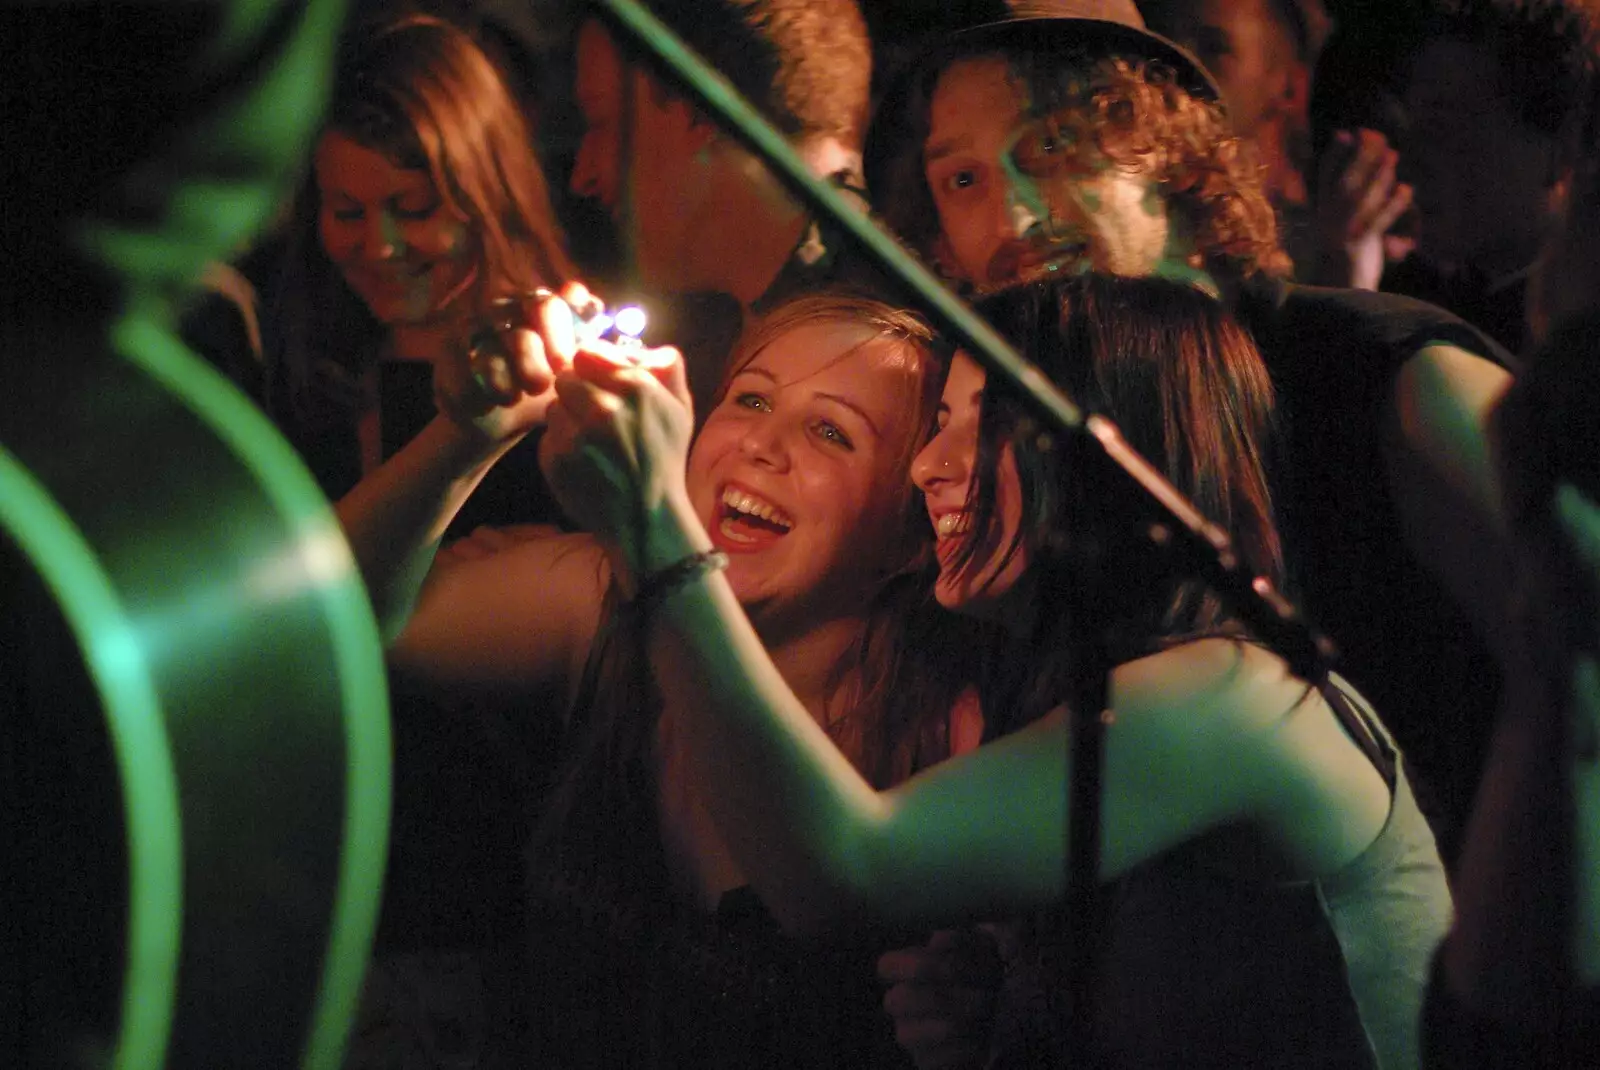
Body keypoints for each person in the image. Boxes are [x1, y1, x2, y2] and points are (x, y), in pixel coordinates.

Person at [536, 270, 1453, 1068]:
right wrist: (999, 1019)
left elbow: (843, 875)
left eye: (986, 426)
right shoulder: (1055, 684)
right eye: (938, 421)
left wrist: (658, 528)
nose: (930, 466)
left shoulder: (1235, 698)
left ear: (1120, 453)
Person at [862, 0, 1515, 869]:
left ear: (1169, 153)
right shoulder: (1032, 451)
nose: (1013, 223)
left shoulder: (1387, 377)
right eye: (964, 180)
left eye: (1052, 150)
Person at [336, 286, 976, 1066]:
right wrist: (469, 435)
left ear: (908, 540)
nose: (761, 446)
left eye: (830, 432)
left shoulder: (950, 731)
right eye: (750, 399)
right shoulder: (599, 598)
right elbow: (343, 619)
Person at [566, 0, 877, 413]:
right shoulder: (719, 327)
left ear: (699, 110)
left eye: (603, 122)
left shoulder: (884, 345)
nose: (581, 175)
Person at [1139, 0, 1332, 263]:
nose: (1172, 64)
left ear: (1290, 87)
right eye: (1163, 37)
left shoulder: (1318, 247)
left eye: (1213, 48)